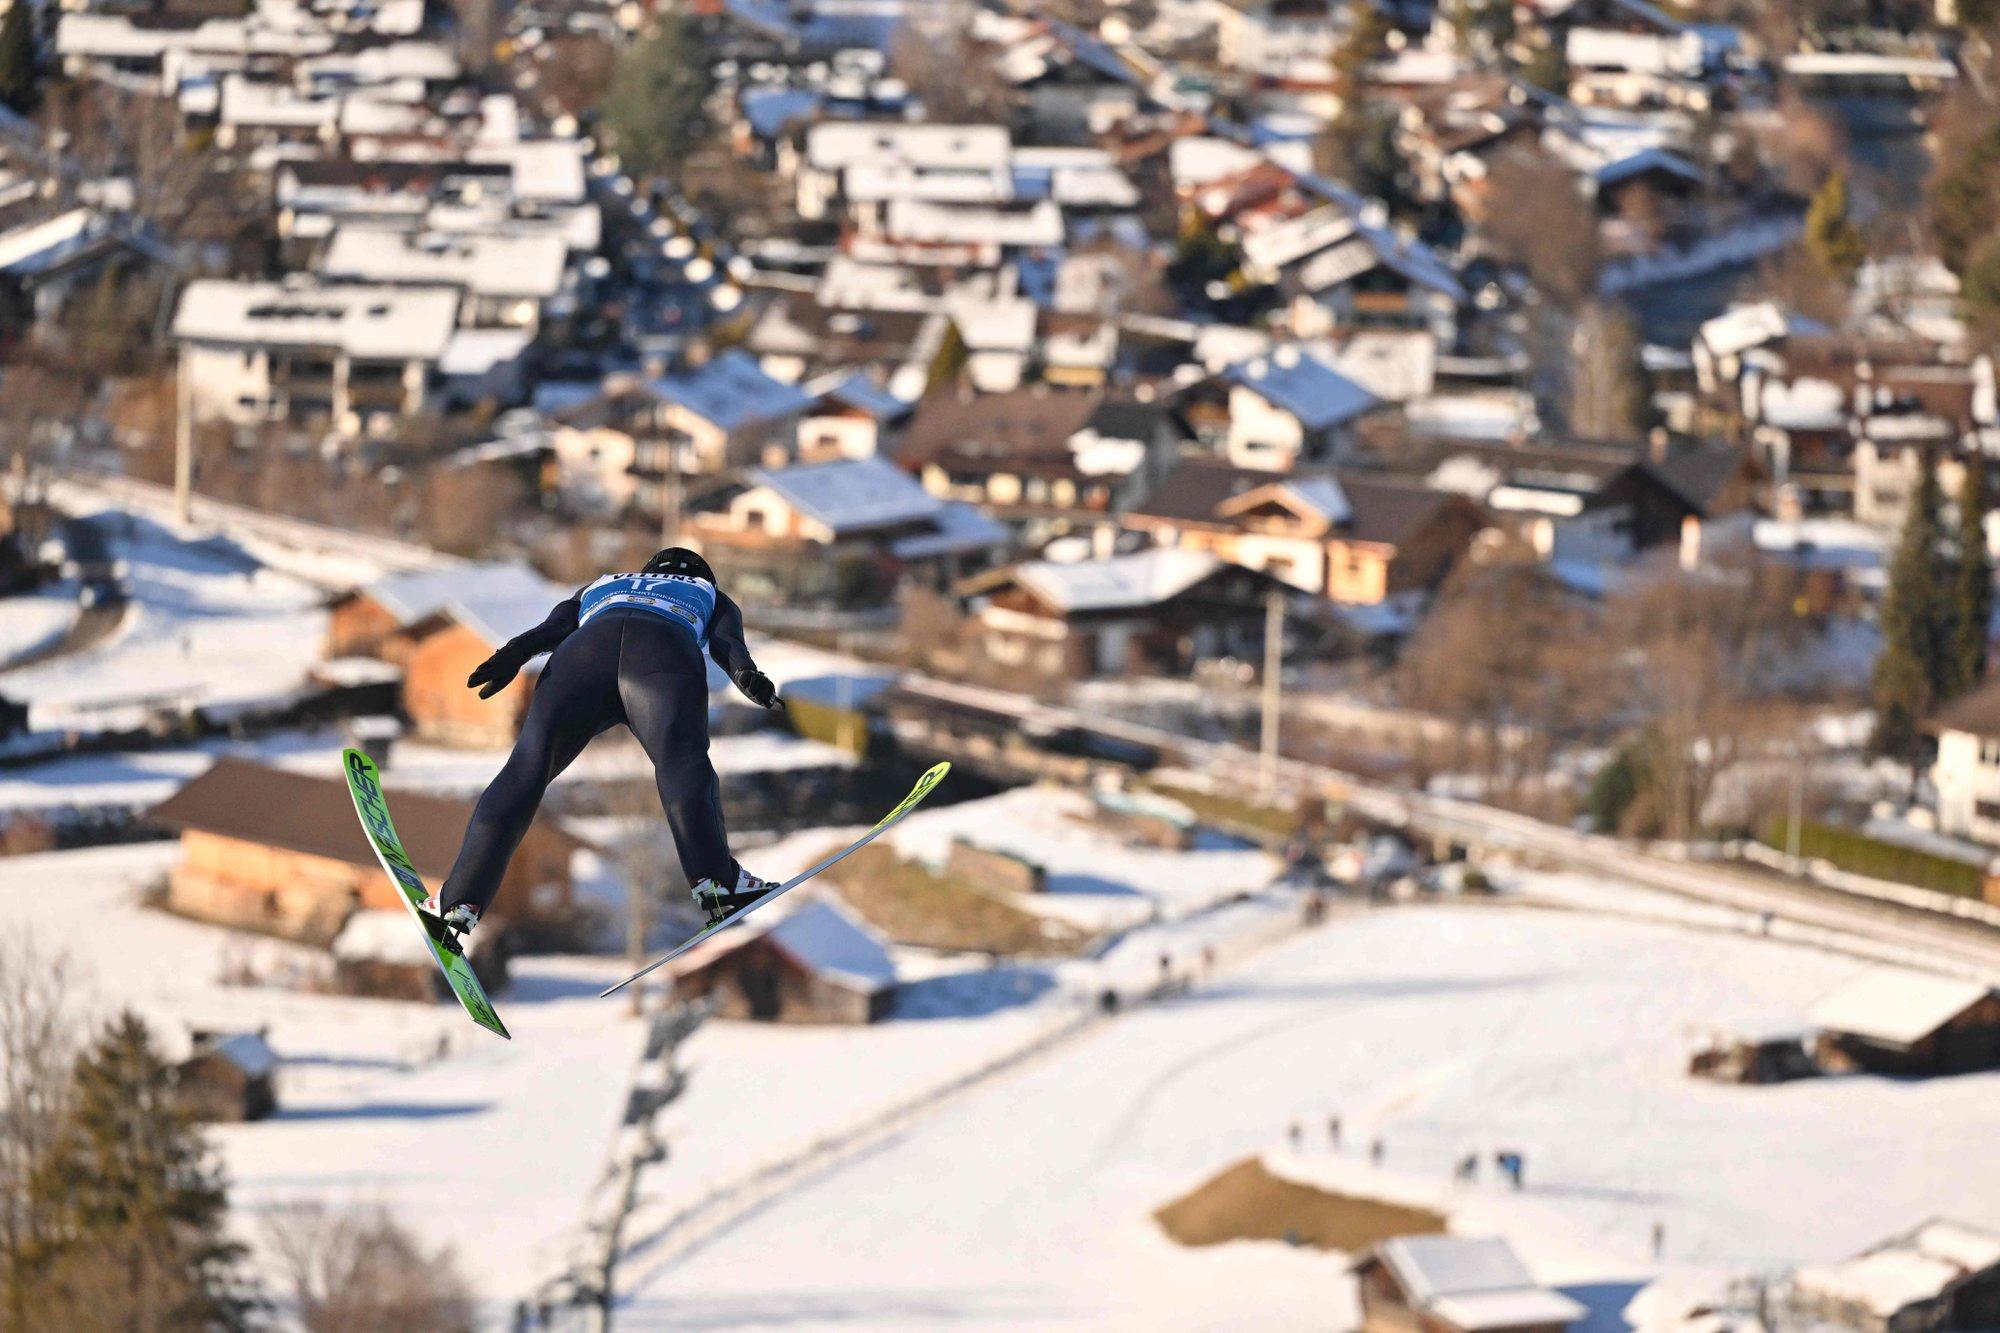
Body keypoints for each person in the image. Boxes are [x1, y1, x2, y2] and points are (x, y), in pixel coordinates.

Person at [429, 548, 783, 946]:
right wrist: (747, 676)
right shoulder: (710, 594)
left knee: (526, 770)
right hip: (661, 658)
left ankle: (457, 903)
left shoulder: (603, 584)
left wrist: (513, 654)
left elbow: (551, 630)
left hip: (582, 657)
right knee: (681, 763)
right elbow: (728, 644)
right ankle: (718, 886)